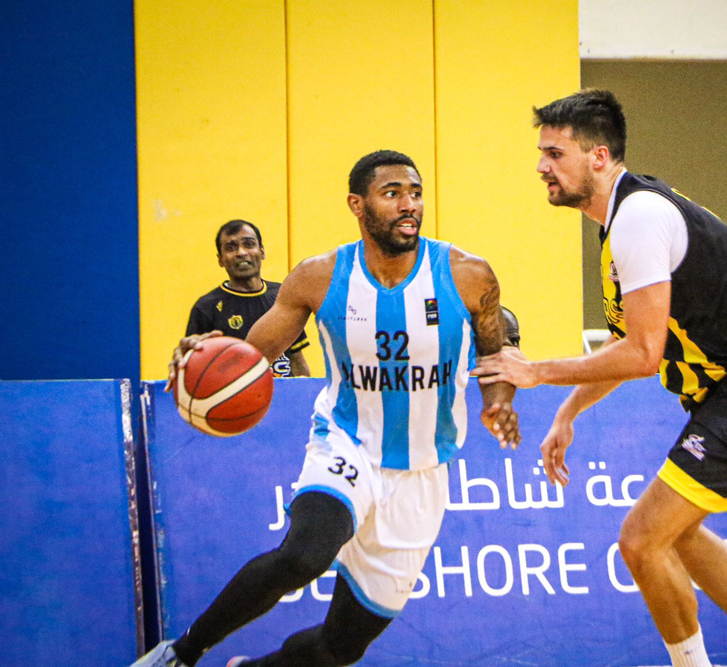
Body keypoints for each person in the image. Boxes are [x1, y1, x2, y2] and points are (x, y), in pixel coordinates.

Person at [473, 90, 727, 667]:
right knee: (677, 535)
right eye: (541, 152)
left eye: (554, 153)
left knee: (641, 540)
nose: (542, 165)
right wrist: (569, 412)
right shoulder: (623, 219)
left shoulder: (639, 218)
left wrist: (536, 371)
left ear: (598, 157)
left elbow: (644, 354)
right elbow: (643, 342)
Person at [134, 150, 520, 667]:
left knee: (340, 648)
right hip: (347, 441)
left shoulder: (469, 274)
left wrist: (498, 402)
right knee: (303, 555)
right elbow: (251, 358)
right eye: (393, 194)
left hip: (424, 471)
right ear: (357, 205)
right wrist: (203, 355)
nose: (409, 205)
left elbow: (496, 353)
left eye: (416, 193)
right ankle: (180, 654)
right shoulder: (318, 277)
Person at [186, 219, 311, 377]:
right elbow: (193, 371)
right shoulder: (206, 308)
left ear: (262, 251)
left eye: (249, 244)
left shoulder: (283, 295)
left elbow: (296, 358)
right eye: (231, 248)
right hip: (233, 399)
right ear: (220, 259)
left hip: (283, 397)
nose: (241, 252)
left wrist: (307, 397)